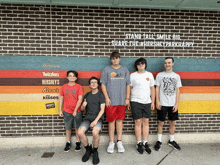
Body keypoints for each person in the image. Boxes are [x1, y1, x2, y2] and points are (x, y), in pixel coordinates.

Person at [100, 51, 130, 154]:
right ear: (111, 59)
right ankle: (111, 142)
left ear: (119, 59)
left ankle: (119, 142)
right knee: (111, 121)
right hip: (111, 101)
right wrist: (106, 98)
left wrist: (127, 98)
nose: (115, 60)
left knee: (119, 121)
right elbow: (103, 84)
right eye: (113, 58)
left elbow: (128, 85)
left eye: (117, 58)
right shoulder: (107, 69)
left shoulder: (124, 69)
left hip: (121, 100)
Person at [154, 57, 182, 151]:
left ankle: (171, 140)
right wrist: (157, 101)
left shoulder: (176, 76)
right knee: (161, 122)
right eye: (166, 63)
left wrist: (177, 103)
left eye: (169, 63)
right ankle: (159, 141)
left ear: (173, 63)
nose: (167, 64)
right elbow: (157, 88)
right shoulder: (159, 75)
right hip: (162, 103)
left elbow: (178, 90)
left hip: (173, 104)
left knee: (172, 123)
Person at [130, 58, 155, 154]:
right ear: (136, 66)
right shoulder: (132, 75)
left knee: (146, 121)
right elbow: (129, 88)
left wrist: (153, 102)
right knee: (138, 121)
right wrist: (128, 99)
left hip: (147, 101)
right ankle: (139, 142)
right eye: (139, 64)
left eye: (142, 63)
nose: (141, 65)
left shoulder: (149, 75)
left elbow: (152, 88)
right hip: (135, 101)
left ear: (145, 65)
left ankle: (145, 142)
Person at [78, 76, 105, 165]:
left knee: (95, 132)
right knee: (80, 132)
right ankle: (88, 150)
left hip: (97, 119)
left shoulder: (101, 95)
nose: (93, 84)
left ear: (98, 85)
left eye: (95, 82)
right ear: (89, 85)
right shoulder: (87, 95)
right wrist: (83, 106)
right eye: (91, 82)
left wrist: (95, 121)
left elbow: (102, 110)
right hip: (88, 118)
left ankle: (95, 151)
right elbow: (82, 109)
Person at [59, 70, 83, 152]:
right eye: (70, 76)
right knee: (68, 128)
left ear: (76, 78)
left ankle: (78, 142)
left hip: (77, 111)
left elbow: (80, 100)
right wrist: (60, 110)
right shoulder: (64, 86)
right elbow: (61, 98)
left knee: (77, 128)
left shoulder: (79, 87)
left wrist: (75, 111)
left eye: (73, 76)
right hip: (66, 111)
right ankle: (68, 142)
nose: (71, 77)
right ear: (67, 77)